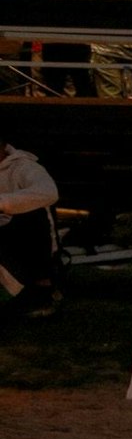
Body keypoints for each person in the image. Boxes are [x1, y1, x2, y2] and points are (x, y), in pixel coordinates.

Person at [0, 120, 60, 317]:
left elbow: (48, 193)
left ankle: (41, 288)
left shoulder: (24, 167)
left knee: (34, 214)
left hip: (22, 243)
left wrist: (3, 203)